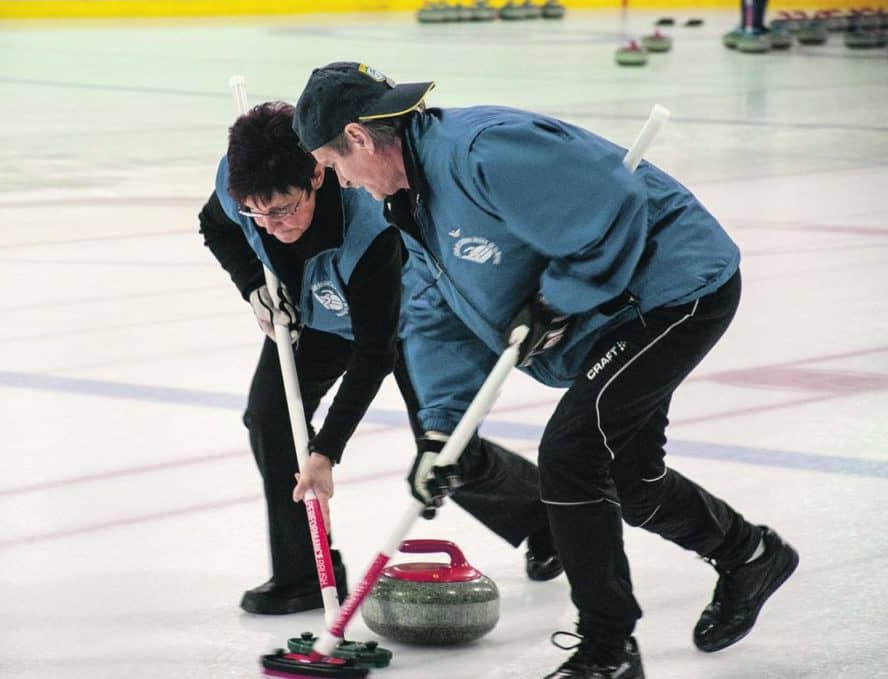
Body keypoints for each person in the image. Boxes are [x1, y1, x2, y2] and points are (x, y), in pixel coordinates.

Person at [292, 62, 799, 678]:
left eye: (334, 163)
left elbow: (615, 205)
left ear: (362, 138)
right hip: (615, 315)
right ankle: (749, 555)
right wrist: (440, 433)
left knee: (572, 454)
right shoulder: (413, 205)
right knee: (630, 480)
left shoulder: (483, 151)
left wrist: (558, 297)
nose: (342, 181)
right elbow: (436, 318)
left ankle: (608, 651)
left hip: (673, 290)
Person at [198, 101, 563, 617]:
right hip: (317, 312)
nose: (272, 225)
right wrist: (253, 285)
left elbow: (374, 352)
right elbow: (215, 226)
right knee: (270, 419)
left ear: (318, 174)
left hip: (406, 320)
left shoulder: (367, 229)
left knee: (443, 453)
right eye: (258, 212)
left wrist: (326, 453)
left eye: (283, 210)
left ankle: (545, 519)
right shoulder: (242, 188)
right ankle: (304, 572)